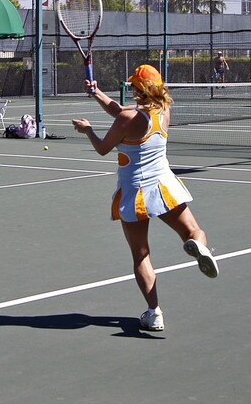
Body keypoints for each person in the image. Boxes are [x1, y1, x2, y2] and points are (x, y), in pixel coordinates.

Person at [72, 64, 218, 332]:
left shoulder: (128, 120)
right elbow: (121, 112)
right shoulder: (163, 111)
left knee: (141, 255)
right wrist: (97, 93)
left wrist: (88, 129)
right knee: (195, 231)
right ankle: (199, 247)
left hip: (136, 193)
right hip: (165, 187)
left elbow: (104, 148)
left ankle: (154, 313)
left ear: (138, 89)